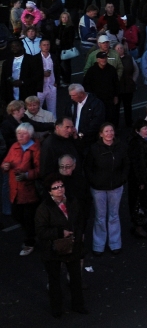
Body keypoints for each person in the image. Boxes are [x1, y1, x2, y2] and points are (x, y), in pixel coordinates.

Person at [35, 173, 88, 317]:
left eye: (61, 186)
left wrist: (78, 234)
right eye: (56, 187)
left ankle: (78, 305)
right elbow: (41, 231)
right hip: (53, 250)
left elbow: (79, 220)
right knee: (55, 280)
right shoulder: (44, 208)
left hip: (72, 246)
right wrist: (60, 232)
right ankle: (57, 309)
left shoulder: (72, 201)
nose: (60, 189)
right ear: (49, 191)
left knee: (75, 277)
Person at [85, 123, 128, 256]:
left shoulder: (121, 147)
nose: (109, 133)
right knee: (100, 217)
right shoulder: (94, 149)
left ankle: (115, 244)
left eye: (111, 130)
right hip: (98, 189)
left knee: (114, 215)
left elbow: (126, 165)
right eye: (106, 131)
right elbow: (87, 167)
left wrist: (121, 180)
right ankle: (98, 245)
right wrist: (94, 181)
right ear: (101, 134)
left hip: (116, 187)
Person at [2, 122, 41, 256]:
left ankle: (29, 242)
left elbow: (40, 170)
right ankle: (33, 235)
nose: (20, 136)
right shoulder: (14, 146)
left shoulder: (36, 149)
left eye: (23, 134)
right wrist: (5, 166)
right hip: (15, 190)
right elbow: (5, 162)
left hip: (29, 192)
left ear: (30, 135)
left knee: (28, 218)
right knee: (17, 215)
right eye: (18, 133)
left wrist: (27, 175)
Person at [126, 118, 147, 239]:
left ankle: (141, 224)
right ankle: (139, 226)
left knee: (141, 202)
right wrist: (141, 181)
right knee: (139, 202)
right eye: (144, 128)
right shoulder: (137, 144)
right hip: (139, 180)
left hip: (143, 179)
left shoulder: (141, 141)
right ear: (137, 130)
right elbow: (138, 164)